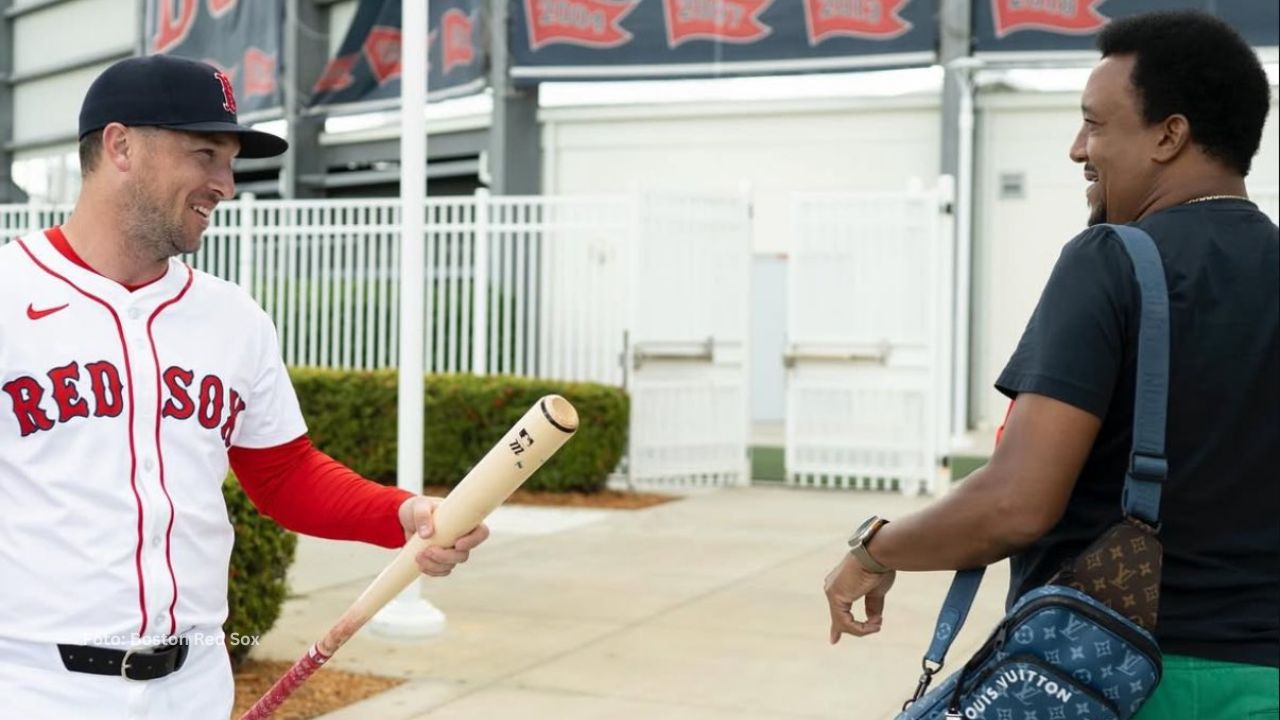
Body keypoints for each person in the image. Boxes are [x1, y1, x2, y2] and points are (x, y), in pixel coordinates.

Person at [0, 55, 489, 719]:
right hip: (36, 684)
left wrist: (401, 516)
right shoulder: (9, 293)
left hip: (196, 682)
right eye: (205, 153)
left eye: (230, 160)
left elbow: (285, 475)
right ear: (120, 146)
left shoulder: (233, 317)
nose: (225, 184)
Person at [824, 11, 1278, 719]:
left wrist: (875, 549)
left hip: (1127, 679)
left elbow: (1016, 503)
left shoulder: (1113, 259)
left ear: (1170, 134)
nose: (1077, 149)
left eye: (1095, 124)